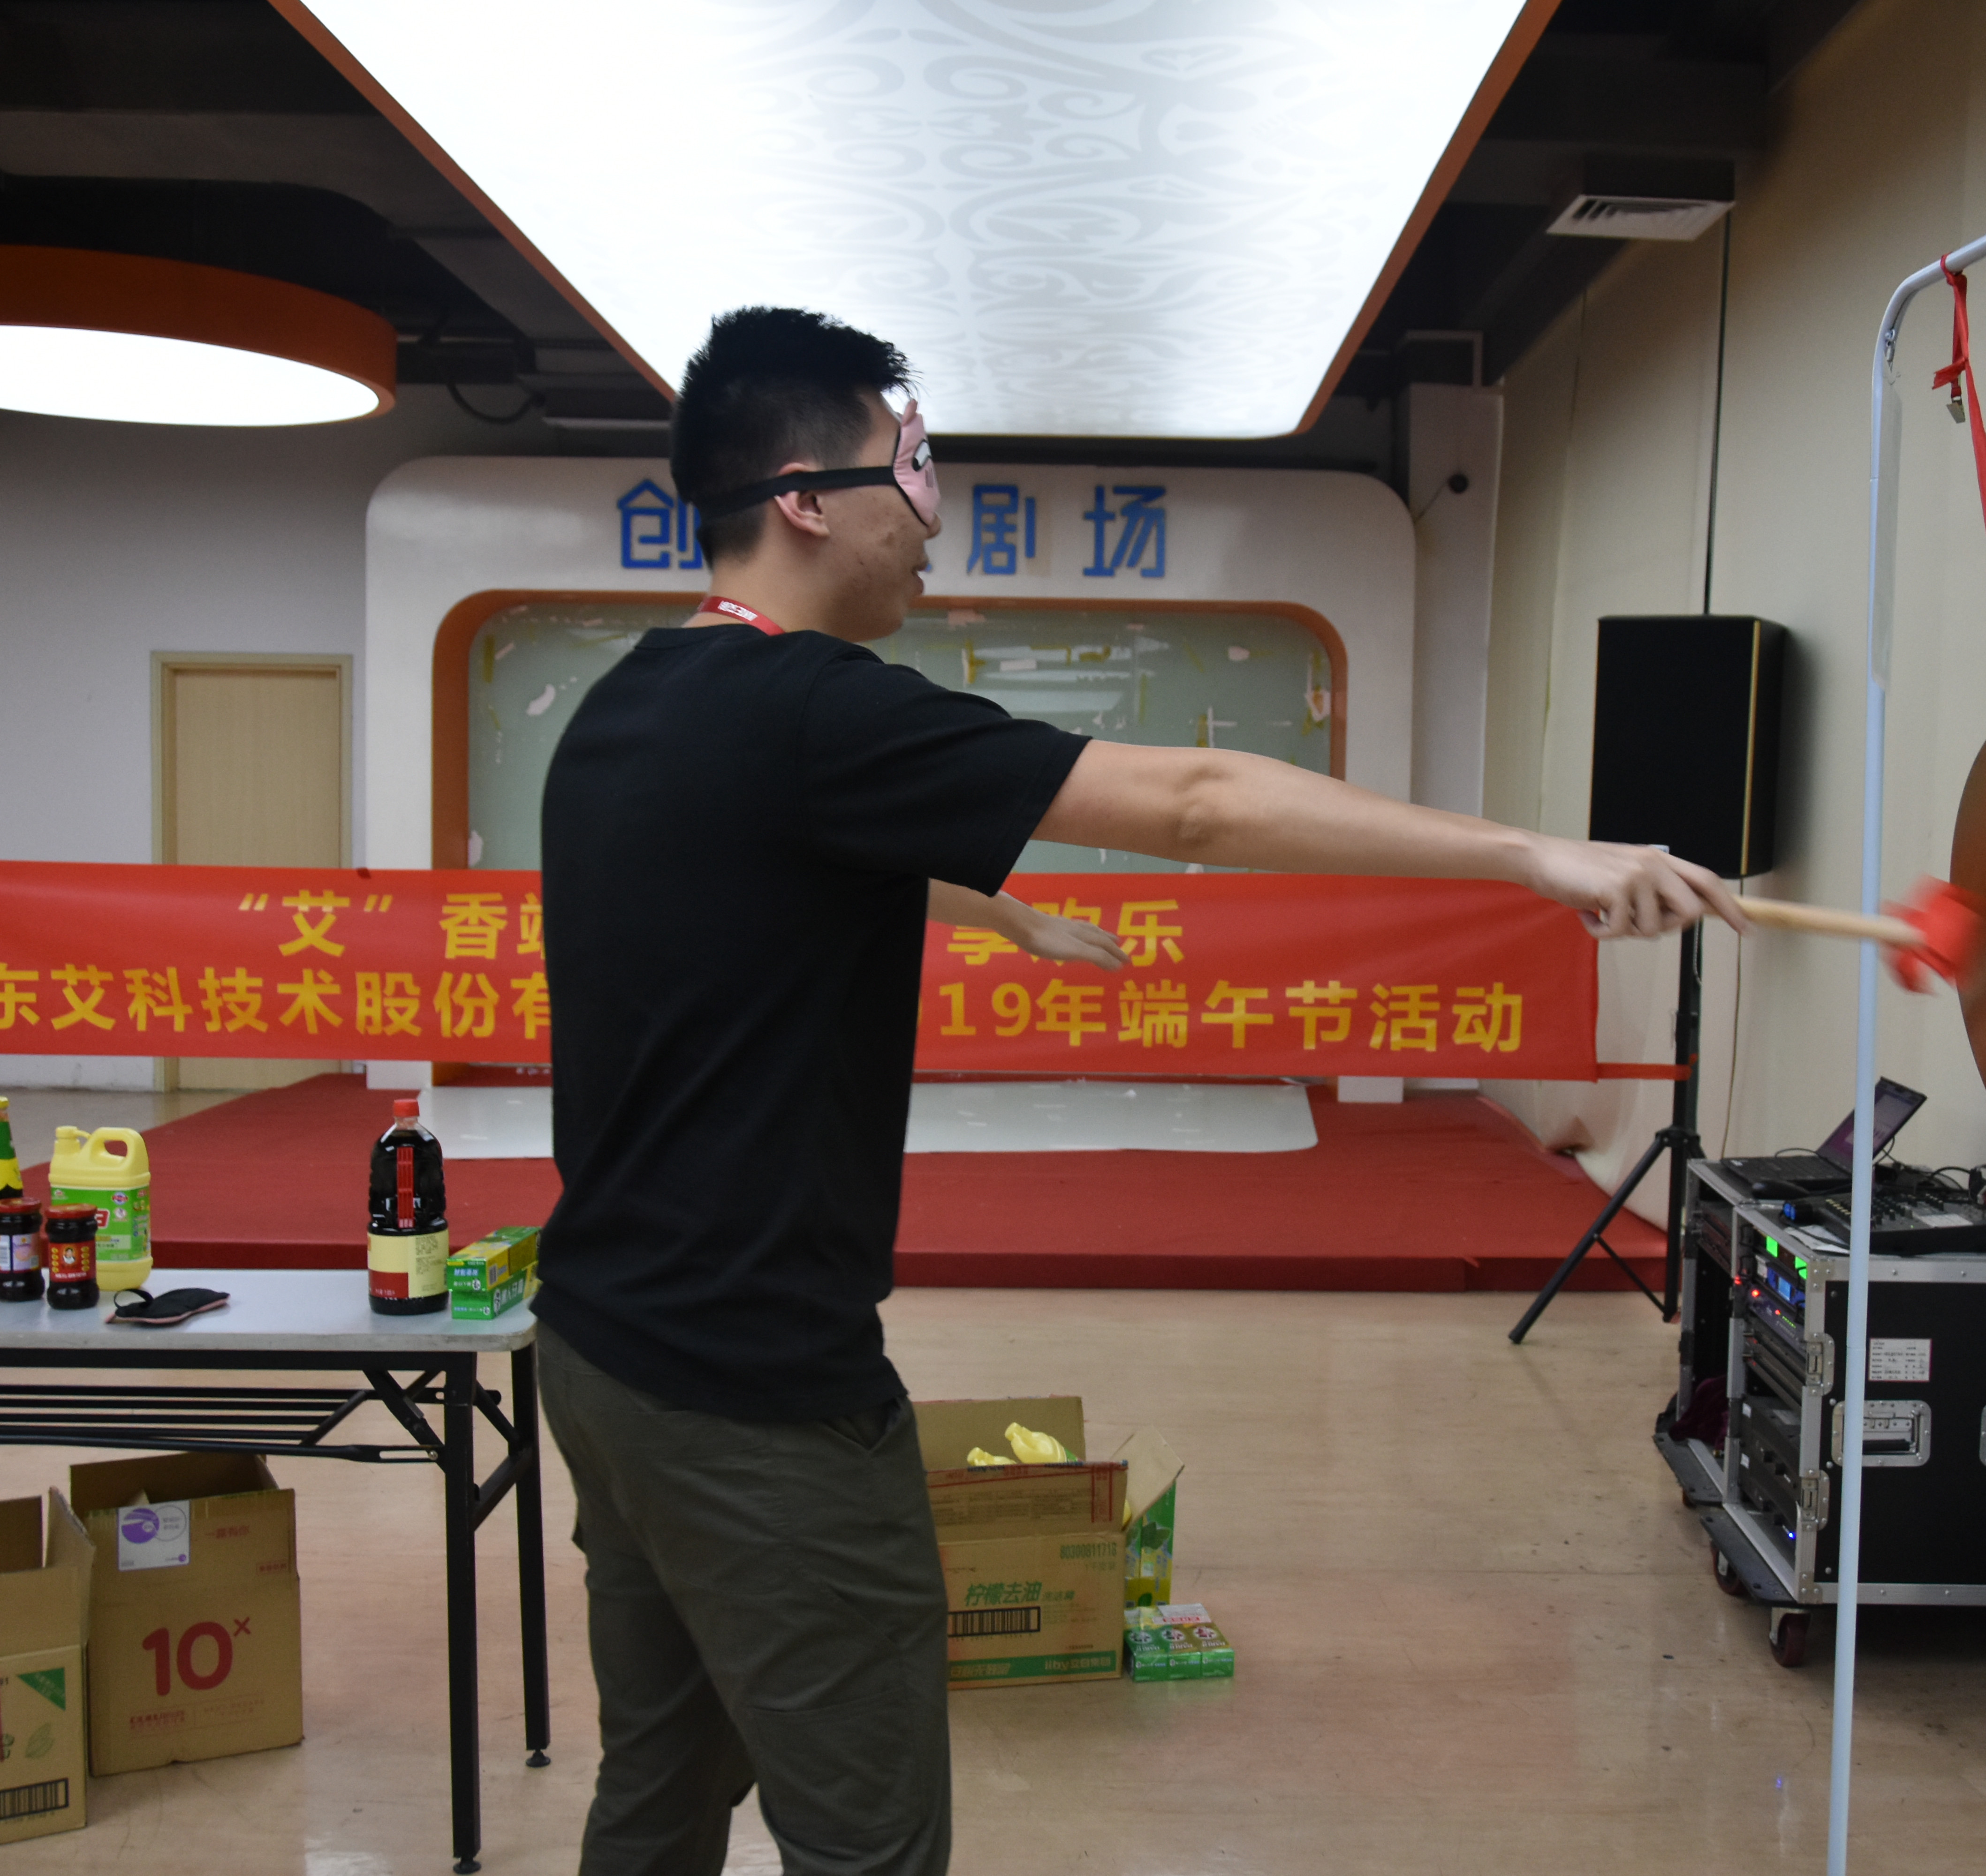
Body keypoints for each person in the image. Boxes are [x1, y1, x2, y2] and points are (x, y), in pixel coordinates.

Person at [532, 306, 1742, 1876]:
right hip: (755, 1392)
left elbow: (760, 861)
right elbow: (1198, 800)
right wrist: (1535, 856)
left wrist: (998, 910)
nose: (933, 518)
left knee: (659, 1789)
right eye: (913, 470)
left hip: (603, 1349)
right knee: (868, 1844)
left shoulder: (634, 703)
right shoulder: (814, 708)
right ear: (807, 497)